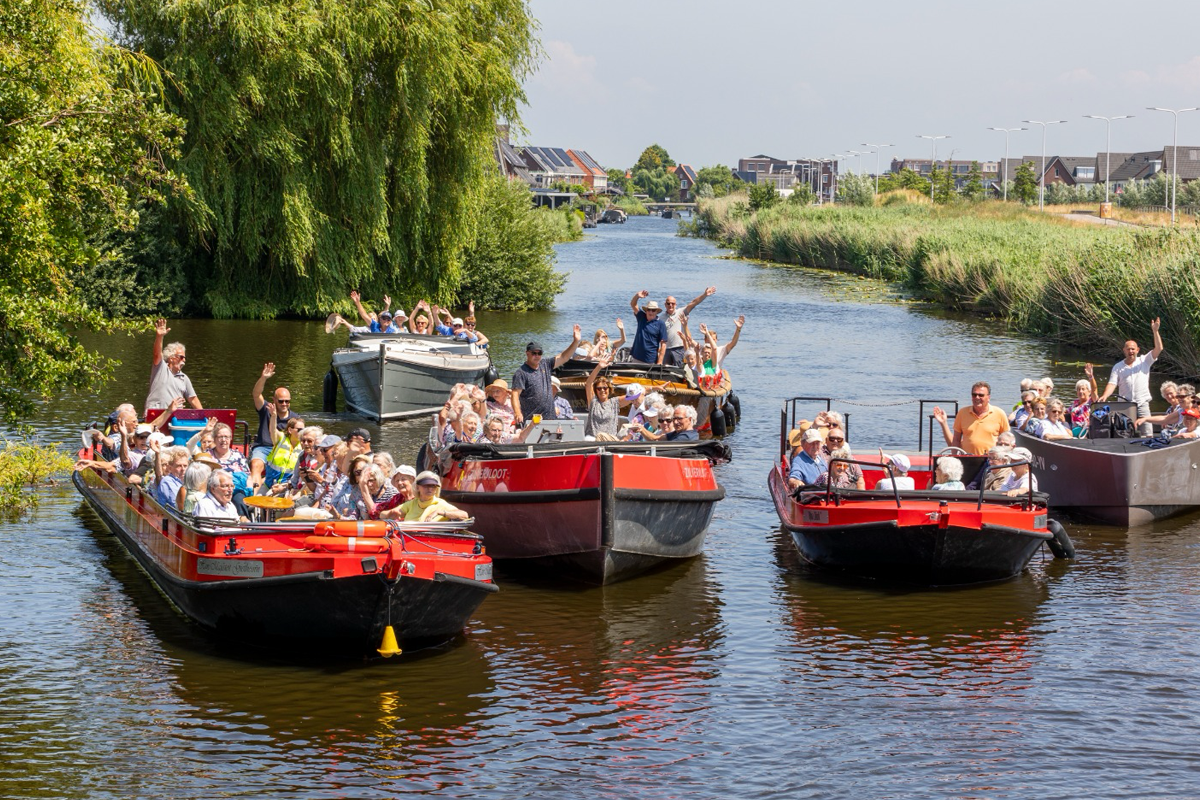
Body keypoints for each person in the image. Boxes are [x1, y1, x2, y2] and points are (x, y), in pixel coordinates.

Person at [1099, 317, 1164, 436]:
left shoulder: (1145, 361)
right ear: (1124, 350)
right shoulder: (1118, 367)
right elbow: (1112, 384)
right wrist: (1105, 395)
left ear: (1137, 350)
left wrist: (1155, 331)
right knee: (1123, 433)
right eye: (1128, 349)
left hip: (1142, 403)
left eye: (1133, 349)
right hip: (1125, 405)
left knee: (1148, 433)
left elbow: (1159, 348)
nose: (1131, 351)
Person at [511, 328, 582, 427]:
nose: (537, 356)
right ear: (527, 353)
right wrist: (517, 413)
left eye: (539, 353)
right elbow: (515, 395)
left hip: (550, 418)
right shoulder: (521, 373)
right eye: (534, 353)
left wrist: (575, 341)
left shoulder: (546, 364)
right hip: (531, 420)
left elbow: (564, 357)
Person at [249, 362, 296, 488]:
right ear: (274, 400)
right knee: (256, 464)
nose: (284, 404)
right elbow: (256, 394)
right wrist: (263, 378)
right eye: (281, 401)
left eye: (287, 401)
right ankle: (255, 500)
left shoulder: (295, 419)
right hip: (264, 448)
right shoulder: (266, 409)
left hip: (283, 450)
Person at [932, 382, 1010, 455]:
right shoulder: (962, 413)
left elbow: (1007, 440)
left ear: (988, 397)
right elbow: (956, 440)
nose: (977, 397)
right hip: (968, 458)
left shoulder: (999, 413)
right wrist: (955, 457)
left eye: (981, 395)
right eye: (974, 395)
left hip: (991, 460)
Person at [145, 318, 202, 414]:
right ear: (171, 358)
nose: (184, 360)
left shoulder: (184, 378)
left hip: (175, 416)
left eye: (184, 357)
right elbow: (156, 354)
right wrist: (159, 336)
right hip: (156, 414)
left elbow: (193, 399)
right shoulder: (160, 368)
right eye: (181, 357)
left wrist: (204, 416)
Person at [662, 287, 716, 366]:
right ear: (665, 305)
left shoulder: (681, 312)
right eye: (668, 303)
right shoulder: (661, 318)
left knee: (680, 370)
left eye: (673, 303)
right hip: (666, 349)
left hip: (679, 348)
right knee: (665, 371)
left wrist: (704, 295)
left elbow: (693, 303)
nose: (670, 305)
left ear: (675, 305)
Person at [584, 355, 634, 439]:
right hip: (593, 439)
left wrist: (651, 389)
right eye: (599, 388)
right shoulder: (593, 402)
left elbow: (632, 397)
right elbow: (588, 384)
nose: (602, 390)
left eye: (605, 388)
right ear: (596, 391)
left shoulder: (614, 402)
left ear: (609, 389)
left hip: (609, 440)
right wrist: (599, 367)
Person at [395, 471, 469, 522]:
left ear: (437, 488)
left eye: (433, 486)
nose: (430, 489)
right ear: (417, 487)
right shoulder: (412, 503)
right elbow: (389, 513)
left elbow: (464, 515)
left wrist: (439, 512)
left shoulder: (441, 504)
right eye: (426, 485)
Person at [628, 292, 667, 365]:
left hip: (650, 359)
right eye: (649, 310)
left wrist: (660, 361)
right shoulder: (641, 317)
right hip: (636, 357)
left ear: (656, 312)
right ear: (646, 311)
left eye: (653, 310)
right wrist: (637, 296)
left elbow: (663, 344)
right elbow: (633, 304)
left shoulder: (660, 324)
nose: (650, 312)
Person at [1069, 365, 1100, 437]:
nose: (1080, 391)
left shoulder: (1091, 401)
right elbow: (1065, 412)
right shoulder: (1075, 403)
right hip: (1074, 430)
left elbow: (1094, 389)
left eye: (1083, 389)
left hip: (1086, 431)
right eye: (1078, 389)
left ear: (1089, 391)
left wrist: (1091, 377)